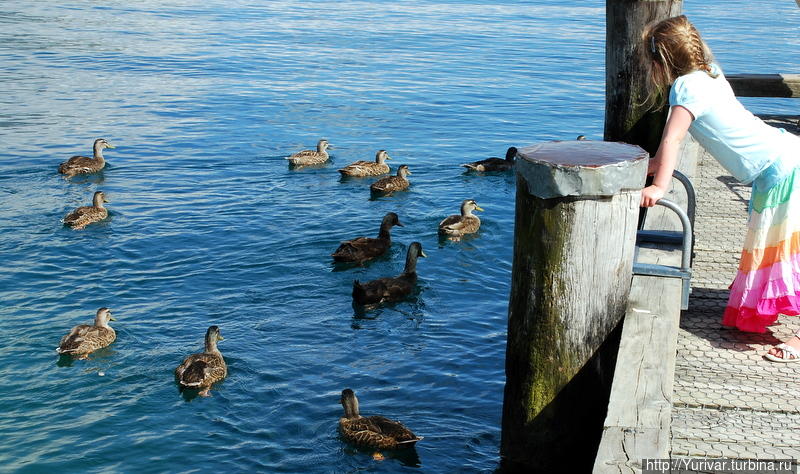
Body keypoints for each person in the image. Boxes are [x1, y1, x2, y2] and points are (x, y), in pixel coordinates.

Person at [640, 15, 800, 362]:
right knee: (779, 251)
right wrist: (650, 164)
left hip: (780, 170)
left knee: (789, 252)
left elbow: (675, 137)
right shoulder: (710, 73)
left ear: (661, 61)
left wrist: (659, 186)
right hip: (781, 158)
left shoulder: (684, 87)